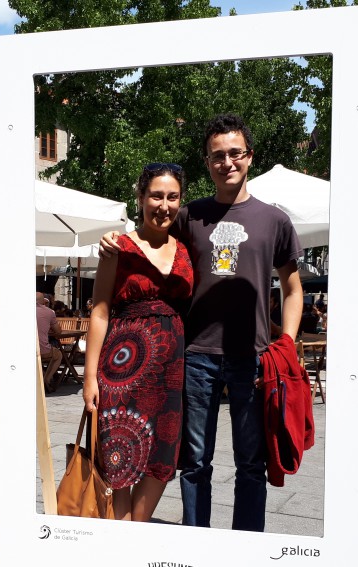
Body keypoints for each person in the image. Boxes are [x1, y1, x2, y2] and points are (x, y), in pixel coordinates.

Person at [101, 113, 304, 531]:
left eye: (235, 153)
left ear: (250, 156)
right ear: (207, 162)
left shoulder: (275, 220)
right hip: (196, 355)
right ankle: (197, 540)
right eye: (217, 156)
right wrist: (111, 237)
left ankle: (246, 543)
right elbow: (149, 228)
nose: (226, 162)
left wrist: (287, 342)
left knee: (252, 462)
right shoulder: (191, 215)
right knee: (194, 462)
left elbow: (293, 287)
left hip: (253, 356)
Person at [85, 162, 193, 522]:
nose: (164, 205)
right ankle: (122, 539)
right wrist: (89, 380)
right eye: (156, 196)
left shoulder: (186, 246)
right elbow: (99, 312)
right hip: (122, 369)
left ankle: (137, 530)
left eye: (172, 197)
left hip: (169, 372)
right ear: (141, 197)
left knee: (162, 455)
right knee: (119, 459)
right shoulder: (119, 248)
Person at [36, 292, 64, 393]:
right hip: (42, 350)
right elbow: (58, 331)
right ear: (43, 301)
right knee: (58, 355)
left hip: (23, 351)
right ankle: (46, 378)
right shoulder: (49, 312)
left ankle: (41, 376)